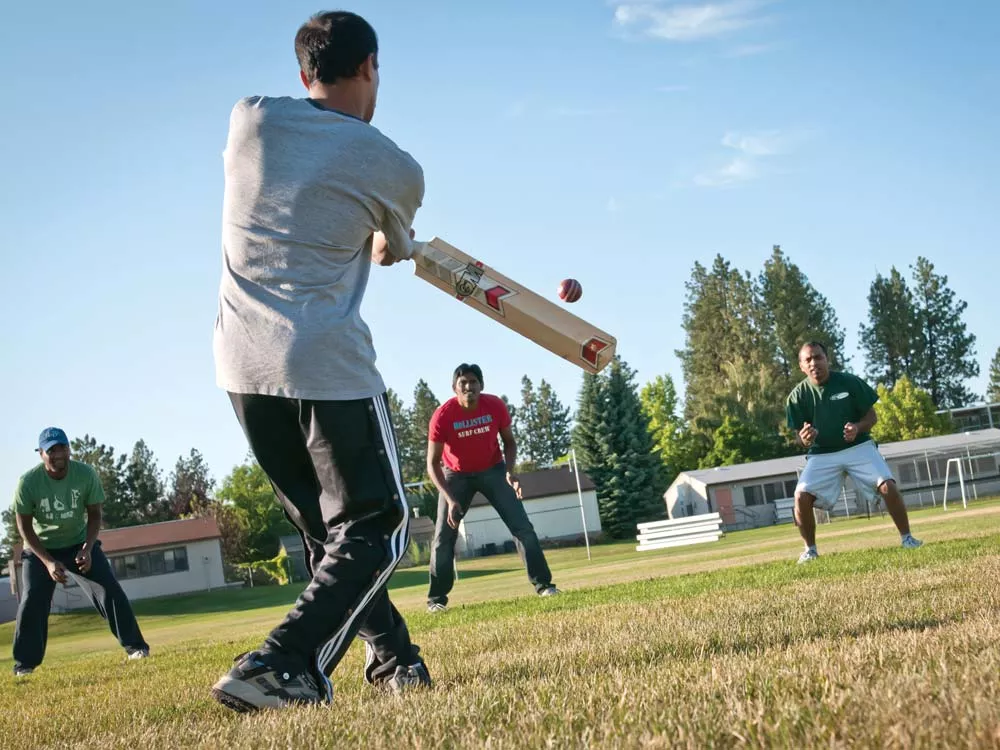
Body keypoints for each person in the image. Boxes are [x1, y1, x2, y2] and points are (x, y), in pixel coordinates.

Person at [210, 11, 430, 712]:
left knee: (326, 534)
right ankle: (283, 663)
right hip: (323, 362)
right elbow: (387, 247)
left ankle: (396, 660)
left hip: (239, 361)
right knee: (377, 526)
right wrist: (379, 237)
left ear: (304, 71)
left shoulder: (250, 120)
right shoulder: (394, 167)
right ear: (371, 67)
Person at [11, 427, 150, 676]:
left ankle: (136, 648)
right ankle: (24, 666)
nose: (58, 454)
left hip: (78, 542)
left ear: (69, 449)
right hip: (41, 548)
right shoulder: (28, 482)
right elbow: (24, 527)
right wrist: (48, 562)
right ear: (41, 453)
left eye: (62, 447)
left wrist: (87, 548)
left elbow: (95, 515)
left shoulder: (85, 474)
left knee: (109, 588)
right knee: (32, 599)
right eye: (51, 450)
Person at [425, 363, 560, 612]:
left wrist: (509, 472)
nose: (468, 387)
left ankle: (545, 586)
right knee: (443, 537)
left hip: (493, 470)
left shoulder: (495, 405)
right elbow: (432, 464)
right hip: (455, 475)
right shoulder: (443, 415)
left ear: (481, 385)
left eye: (473, 382)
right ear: (454, 388)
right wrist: (450, 498)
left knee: (523, 528)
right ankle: (436, 601)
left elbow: (509, 442)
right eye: (463, 382)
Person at [786, 341, 923, 563]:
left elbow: (872, 417)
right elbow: (797, 437)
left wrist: (857, 428)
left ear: (827, 359)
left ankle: (907, 538)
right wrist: (803, 439)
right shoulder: (797, 396)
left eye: (818, 357)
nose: (814, 363)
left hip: (859, 447)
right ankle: (810, 550)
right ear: (801, 366)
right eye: (808, 360)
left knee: (887, 484)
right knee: (800, 495)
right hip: (822, 454)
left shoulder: (849, 382)